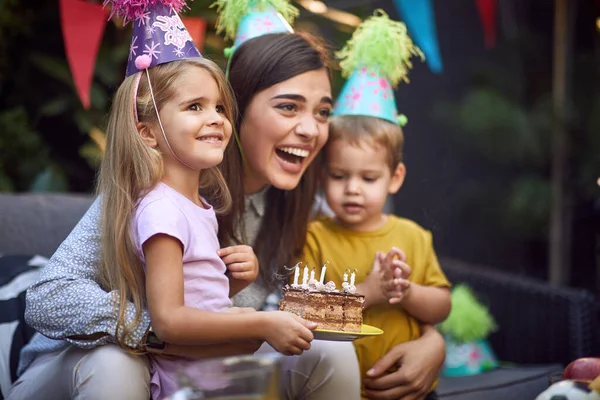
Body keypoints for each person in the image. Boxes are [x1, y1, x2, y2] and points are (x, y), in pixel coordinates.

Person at [299, 11, 452, 400]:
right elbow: (305, 319)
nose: (353, 190)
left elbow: (441, 306)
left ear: (394, 178)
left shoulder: (412, 236)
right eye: (338, 176)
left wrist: (405, 291)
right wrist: (370, 290)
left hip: (415, 392)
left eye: (368, 179)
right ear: (321, 176)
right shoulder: (314, 236)